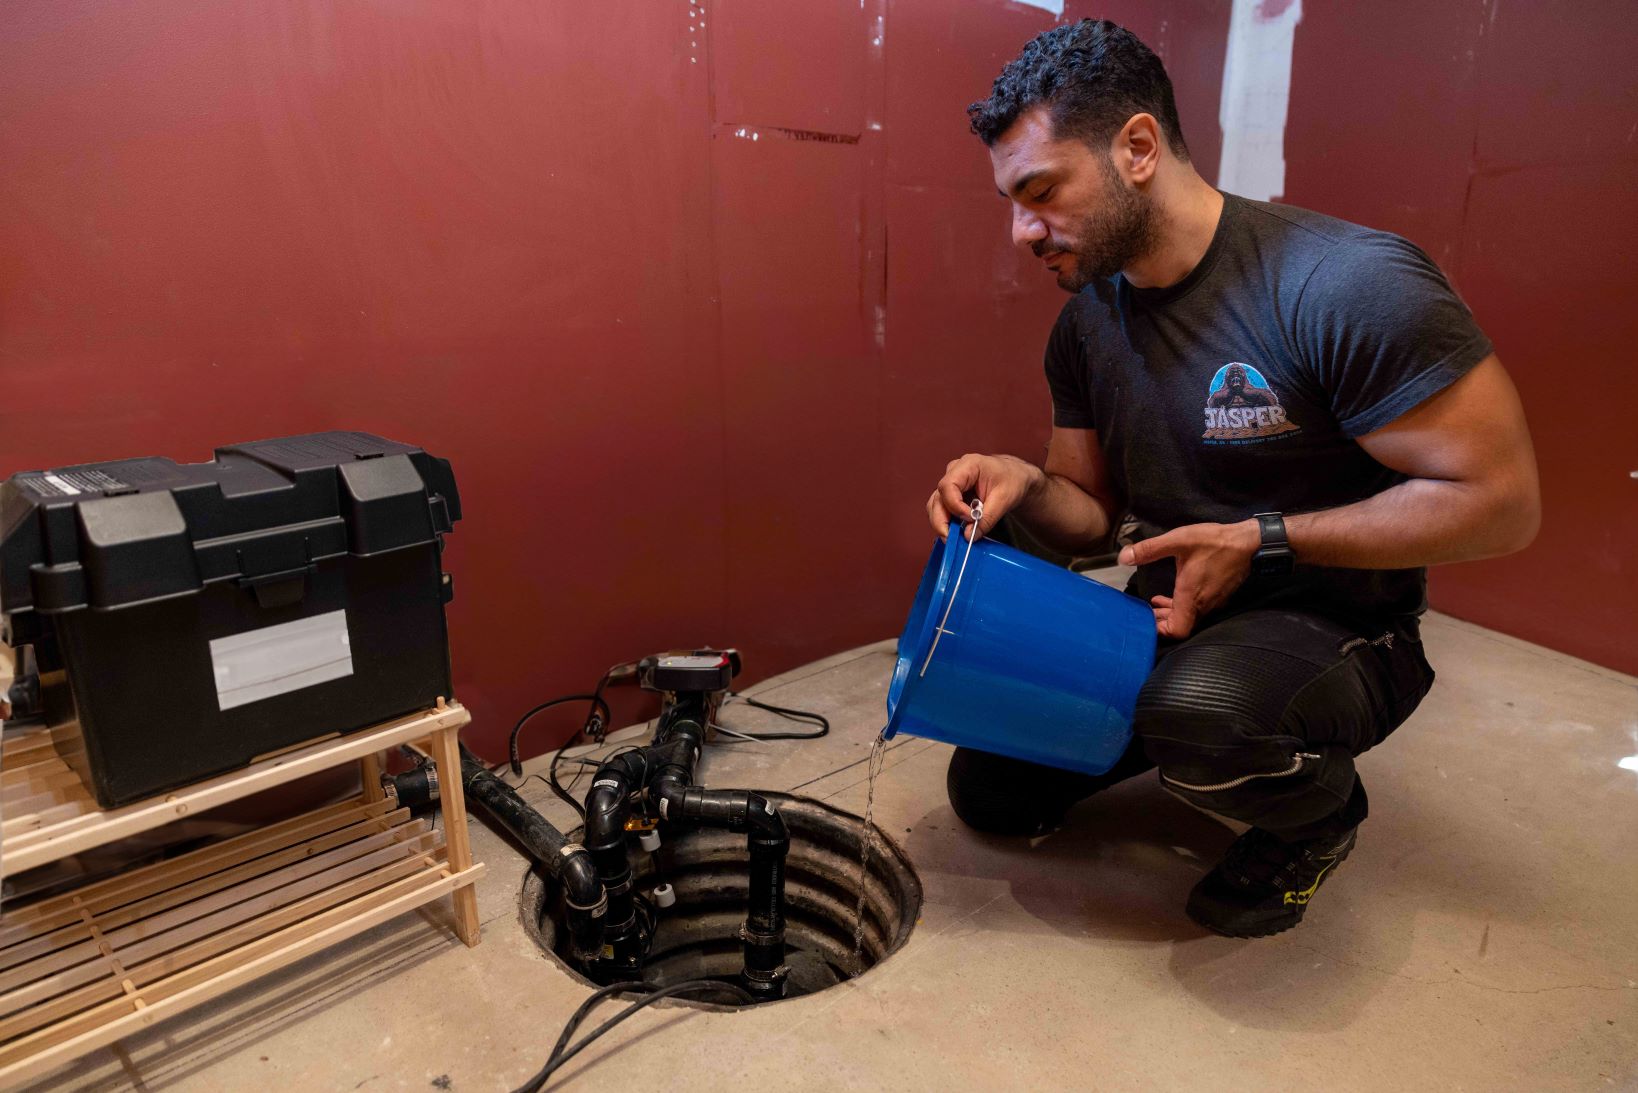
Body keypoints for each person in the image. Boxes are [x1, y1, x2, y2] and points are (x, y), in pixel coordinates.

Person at [929, 20, 1539, 937]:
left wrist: (1265, 539)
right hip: (1176, 612)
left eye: (1040, 191)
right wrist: (1021, 479)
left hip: (1342, 622)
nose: (1023, 231)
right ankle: (1181, 716)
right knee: (992, 788)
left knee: (1203, 717)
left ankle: (1322, 815)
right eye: (1012, 202)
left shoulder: (1343, 283)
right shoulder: (1088, 321)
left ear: (1137, 148)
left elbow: (1503, 506)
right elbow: (1092, 519)